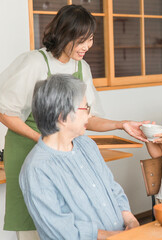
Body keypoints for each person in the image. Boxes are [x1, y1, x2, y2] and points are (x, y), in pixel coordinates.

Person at [0, 5, 147, 238]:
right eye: (82, 40)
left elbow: (88, 117)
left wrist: (121, 124)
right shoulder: (34, 63)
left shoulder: (81, 67)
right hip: (30, 147)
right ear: (64, 34)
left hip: (65, 145)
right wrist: (45, 140)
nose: (88, 46)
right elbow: (5, 112)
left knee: (80, 208)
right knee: (37, 221)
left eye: (90, 39)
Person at [19, 74, 139, 240]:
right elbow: (61, 230)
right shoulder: (36, 169)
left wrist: (131, 222)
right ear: (62, 116)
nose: (89, 116)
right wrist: (115, 236)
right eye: (85, 108)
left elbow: (112, 188)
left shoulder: (86, 145)